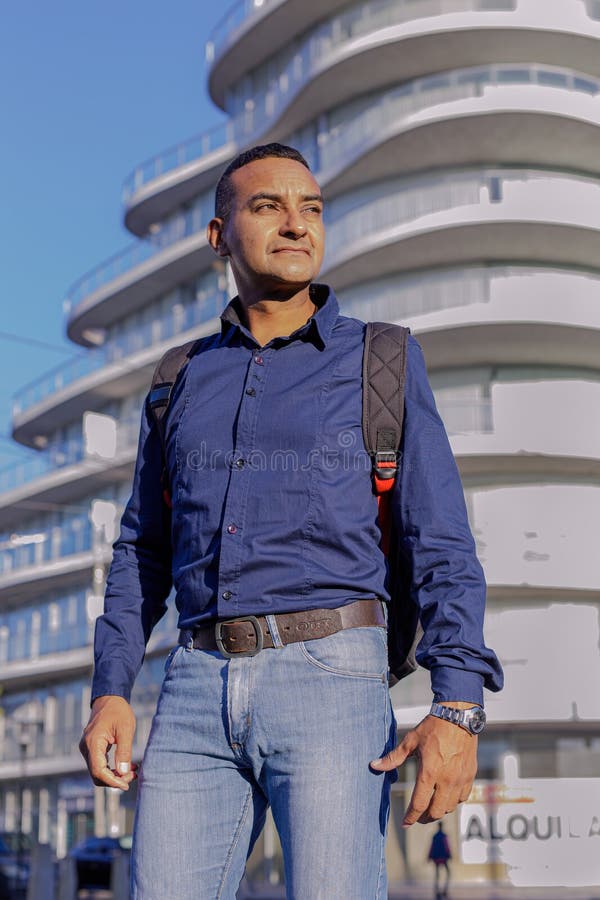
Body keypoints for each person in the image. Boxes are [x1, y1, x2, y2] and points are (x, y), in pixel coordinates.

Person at [79, 143, 503, 899]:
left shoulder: (383, 360)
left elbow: (439, 541)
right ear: (219, 235)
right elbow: (142, 549)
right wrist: (110, 688)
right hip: (193, 687)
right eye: (268, 206)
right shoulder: (179, 380)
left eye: (310, 208)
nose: (296, 224)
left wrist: (458, 708)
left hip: (332, 680)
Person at [428, 822, 452, 897]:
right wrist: (449, 855)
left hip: (437, 857)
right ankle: (444, 889)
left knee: (437, 874)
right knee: (448, 873)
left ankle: (437, 890)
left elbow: (432, 847)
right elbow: (447, 846)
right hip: (443, 857)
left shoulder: (435, 836)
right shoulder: (444, 836)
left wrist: (430, 856)